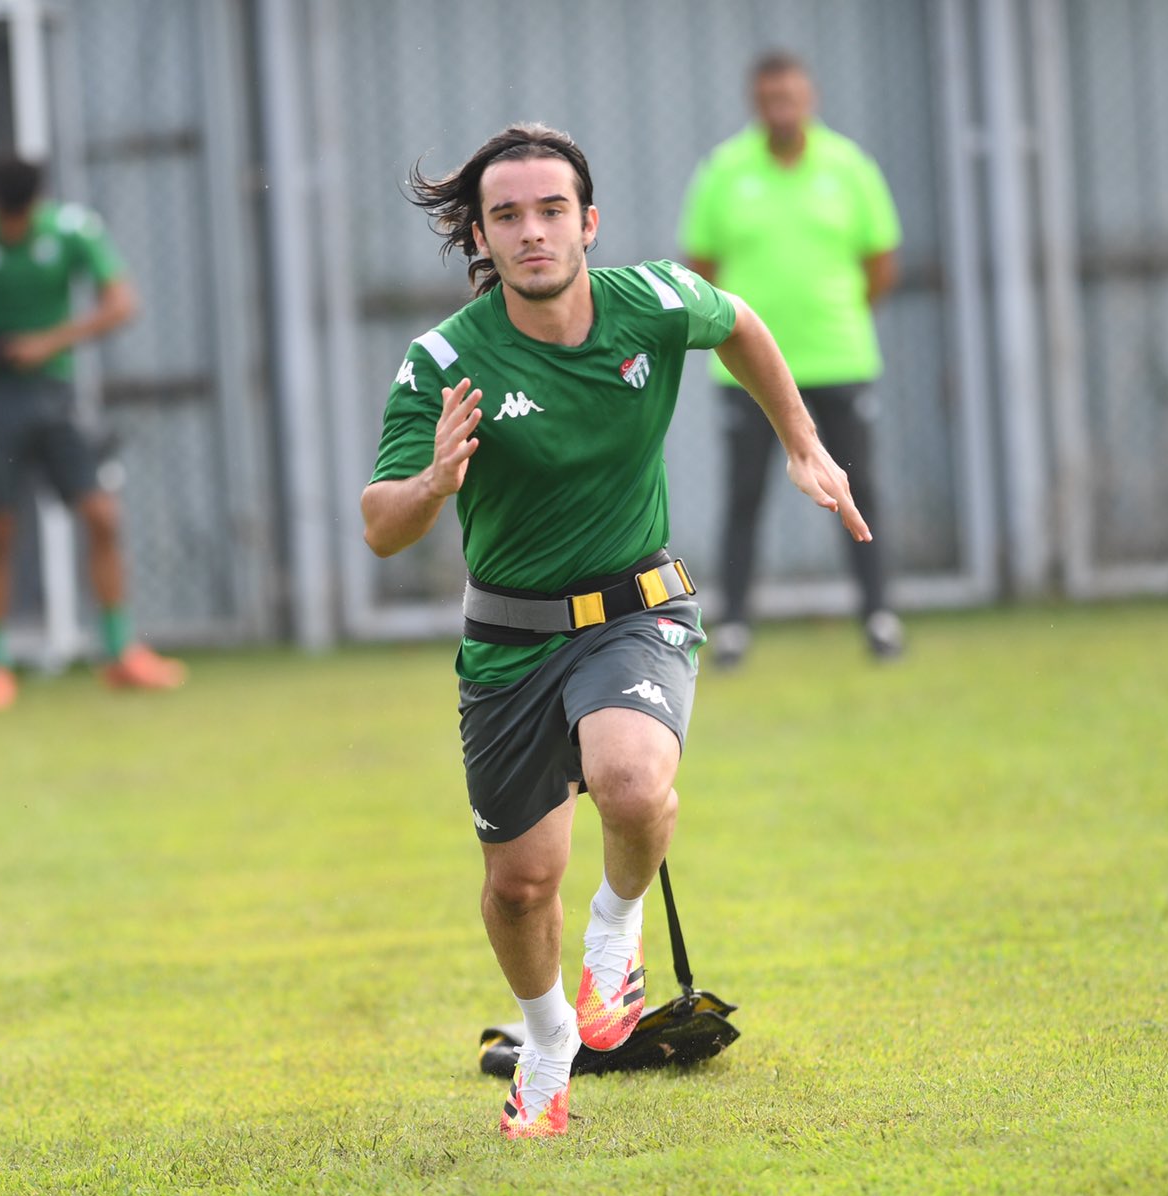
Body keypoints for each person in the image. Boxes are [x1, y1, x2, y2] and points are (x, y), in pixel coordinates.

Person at [364, 124, 870, 1139]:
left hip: (636, 608)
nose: (532, 231)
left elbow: (742, 324)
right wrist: (434, 481)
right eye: (506, 215)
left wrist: (803, 445)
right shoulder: (445, 359)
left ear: (587, 222)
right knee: (516, 886)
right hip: (508, 641)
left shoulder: (649, 302)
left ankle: (615, 931)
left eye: (551, 210)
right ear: (481, 236)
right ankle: (548, 1035)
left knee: (632, 780)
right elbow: (381, 524)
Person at [680, 50, 904, 667]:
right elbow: (701, 267)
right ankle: (734, 628)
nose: (781, 107)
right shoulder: (723, 171)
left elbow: (881, 263)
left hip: (839, 359)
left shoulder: (850, 167)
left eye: (791, 96)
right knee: (744, 494)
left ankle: (880, 618)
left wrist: (834, 314)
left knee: (858, 491)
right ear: (757, 102)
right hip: (745, 372)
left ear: (809, 98)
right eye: (770, 97)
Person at [0, 157, 184, 707]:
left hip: (54, 398)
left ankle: (120, 651)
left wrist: (48, 342)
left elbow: (121, 303)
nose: (12, 228)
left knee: (102, 515)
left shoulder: (71, 230)